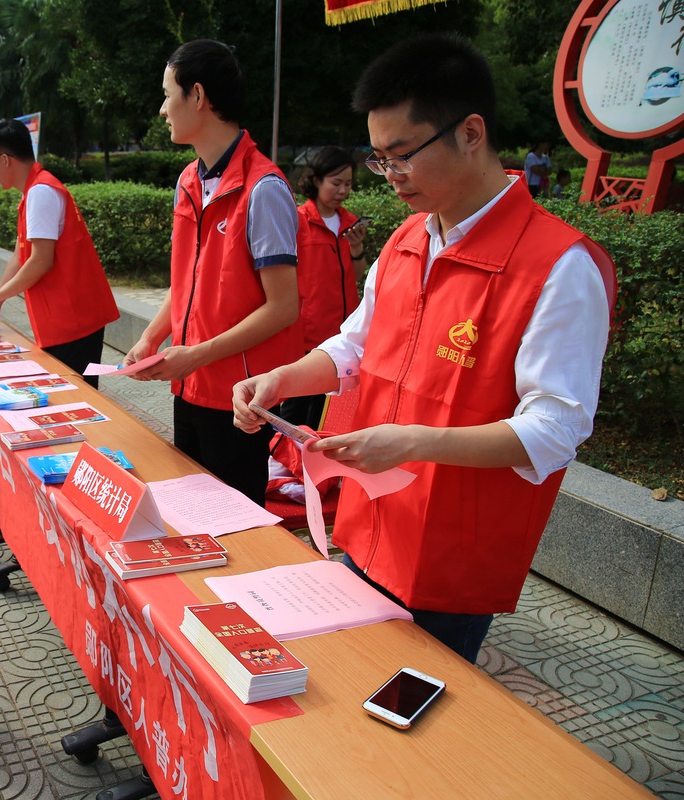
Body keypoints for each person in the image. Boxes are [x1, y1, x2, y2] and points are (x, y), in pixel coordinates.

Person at [232, 33, 615, 664]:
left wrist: (409, 441)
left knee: (412, 731)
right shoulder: (409, 239)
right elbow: (354, 348)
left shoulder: (558, 266)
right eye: (380, 159)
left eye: (402, 155)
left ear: (470, 132)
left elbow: (554, 429)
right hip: (368, 525)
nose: (390, 177)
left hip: (452, 561)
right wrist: (283, 379)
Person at [122, 39, 302, 505]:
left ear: (198, 96)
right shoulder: (188, 181)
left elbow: (283, 308)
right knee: (193, 518)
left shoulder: (264, 189)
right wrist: (150, 338)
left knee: (237, 531)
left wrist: (197, 355)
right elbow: (187, 285)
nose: (162, 109)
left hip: (240, 401)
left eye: (167, 94)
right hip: (189, 386)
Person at [0, 119, 119, 388]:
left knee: (76, 397)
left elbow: (40, 260)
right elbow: (20, 253)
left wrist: (0, 293)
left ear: (6, 160)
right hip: (67, 318)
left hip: (74, 321)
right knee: (71, 396)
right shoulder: (34, 191)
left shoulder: (41, 192)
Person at [285, 146, 369, 429]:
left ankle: (311, 462)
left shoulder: (349, 222)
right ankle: (282, 462)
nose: (342, 190)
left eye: (347, 184)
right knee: (296, 407)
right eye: (336, 183)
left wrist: (356, 248)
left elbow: (357, 275)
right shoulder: (298, 221)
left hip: (342, 332)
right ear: (316, 180)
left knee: (324, 409)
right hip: (307, 333)